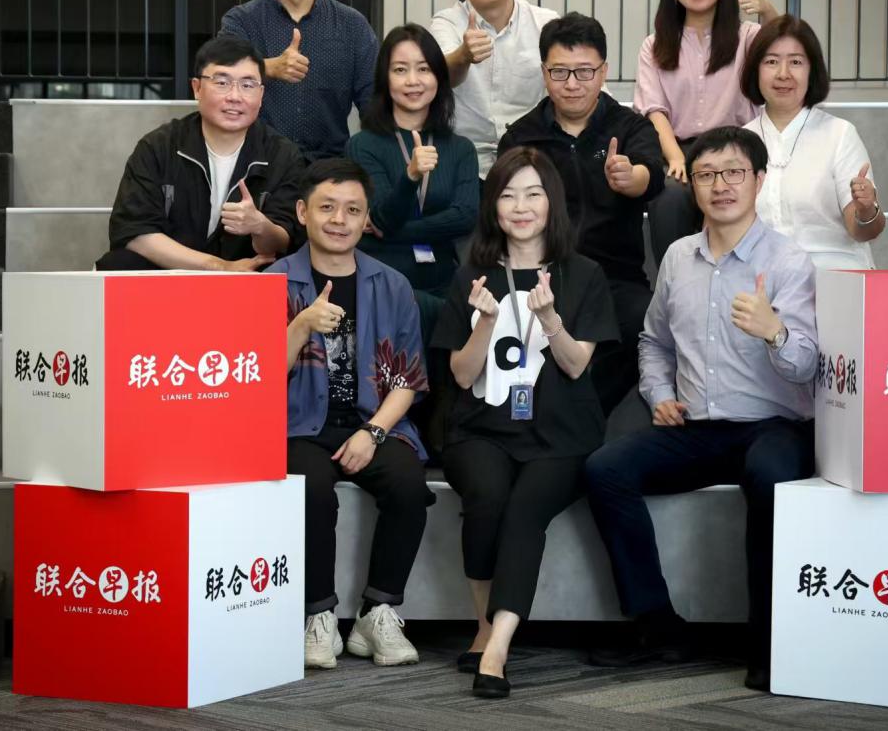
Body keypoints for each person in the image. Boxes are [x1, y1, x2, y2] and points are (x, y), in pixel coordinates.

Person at [585, 126, 817, 693]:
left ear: (758, 180)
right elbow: (654, 342)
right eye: (707, 174)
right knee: (605, 468)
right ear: (692, 186)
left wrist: (775, 331)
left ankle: (769, 645)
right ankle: (658, 625)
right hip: (696, 427)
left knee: (771, 478)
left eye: (734, 172)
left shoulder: (788, 261)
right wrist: (659, 394)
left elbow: (806, 366)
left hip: (773, 427)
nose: (721, 185)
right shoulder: (677, 257)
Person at [431, 147, 618, 698]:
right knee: (486, 498)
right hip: (481, 428)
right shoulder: (472, 278)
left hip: (561, 435)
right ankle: (484, 625)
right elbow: (462, 375)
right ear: (493, 206)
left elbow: (576, 365)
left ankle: (497, 647)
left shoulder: (583, 275)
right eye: (508, 195)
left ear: (551, 203)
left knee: (524, 510)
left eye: (533, 194)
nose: (520, 206)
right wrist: (485, 322)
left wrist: (550, 319)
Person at [269, 159, 433, 670]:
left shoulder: (392, 284)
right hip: (297, 426)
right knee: (310, 488)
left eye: (353, 210)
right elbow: (256, 378)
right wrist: (300, 325)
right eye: (327, 207)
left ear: (366, 220)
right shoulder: (274, 281)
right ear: (303, 213)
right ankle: (318, 614)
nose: (339, 220)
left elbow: (407, 378)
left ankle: (377, 612)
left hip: (373, 422)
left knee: (409, 486)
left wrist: (373, 431)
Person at [498, 12, 664, 416]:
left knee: (645, 323)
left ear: (603, 71)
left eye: (584, 71)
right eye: (560, 72)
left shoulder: (629, 127)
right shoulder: (522, 136)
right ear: (544, 73)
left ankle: (586, 416)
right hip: (542, 274)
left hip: (615, 275)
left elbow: (652, 176)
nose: (572, 83)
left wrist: (630, 177)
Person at [97, 35, 304, 271]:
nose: (235, 96)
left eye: (247, 85)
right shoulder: (159, 146)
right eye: (222, 82)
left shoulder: (283, 156)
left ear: (261, 94)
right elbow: (134, 232)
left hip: (248, 277)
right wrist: (218, 267)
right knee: (119, 263)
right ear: (197, 88)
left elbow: (286, 241)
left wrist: (260, 226)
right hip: (171, 274)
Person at [635, 0, 780, 265]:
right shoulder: (654, 46)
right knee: (670, 197)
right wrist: (675, 158)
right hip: (680, 150)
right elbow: (655, 111)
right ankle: (677, 282)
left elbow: (783, 54)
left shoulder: (749, 37)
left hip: (738, 147)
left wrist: (768, 10)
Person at [348, 24, 479, 342]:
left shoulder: (461, 148)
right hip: (382, 282)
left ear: (439, 77)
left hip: (444, 279)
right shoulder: (362, 145)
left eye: (423, 69)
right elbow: (383, 212)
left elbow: (465, 217)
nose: (412, 81)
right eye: (400, 70)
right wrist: (410, 177)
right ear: (385, 78)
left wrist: (390, 231)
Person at [221, 0, 378, 161]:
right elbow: (221, 81)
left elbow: (374, 105)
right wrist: (268, 68)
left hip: (329, 169)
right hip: (258, 166)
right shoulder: (241, 21)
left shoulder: (353, 25)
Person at [741, 15, 885, 269]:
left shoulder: (839, 134)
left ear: (812, 71)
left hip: (834, 273)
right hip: (762, 280)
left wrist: (866, 210)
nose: (783, 74)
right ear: (755, 70)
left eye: (796, 62)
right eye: (771, 61)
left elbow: (864, 231)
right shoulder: (740, 142)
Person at [430, 0, 559, 179]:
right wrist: (463, 55)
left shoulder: (546, 24)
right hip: (464, 164)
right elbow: (440, 76)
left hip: (532, 160)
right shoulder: (446, 23)